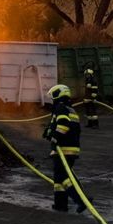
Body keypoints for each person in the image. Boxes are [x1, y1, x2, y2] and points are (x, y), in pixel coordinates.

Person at [44, 84, 83, 213]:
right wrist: (49, 131)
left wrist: (55, 138)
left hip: (64, 149)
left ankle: (80, 200)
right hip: (70, 148)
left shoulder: (60, 108)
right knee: (59, 178)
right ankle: (60, 204)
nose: (52, 100)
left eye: (53, 97)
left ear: (58, 95)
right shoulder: (69, 109)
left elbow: (63, 125)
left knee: (62, 176)